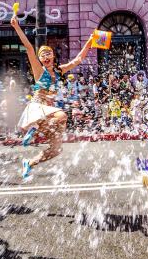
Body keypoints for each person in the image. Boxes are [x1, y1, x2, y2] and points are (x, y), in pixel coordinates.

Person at [11, 14, 94, 178]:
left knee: (56, 149)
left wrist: (90, 41)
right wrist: (16, 27)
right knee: (62, 115)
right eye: (43, 55)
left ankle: (30, 163)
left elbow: (78, 60)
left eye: (48, 53)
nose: (46, 56)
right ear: (40, 59)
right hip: (37, 108)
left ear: (53, 56)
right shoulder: (39, 71)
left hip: (48, 112)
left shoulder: (59, 71)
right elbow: (29, 48)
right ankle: (34, 128)